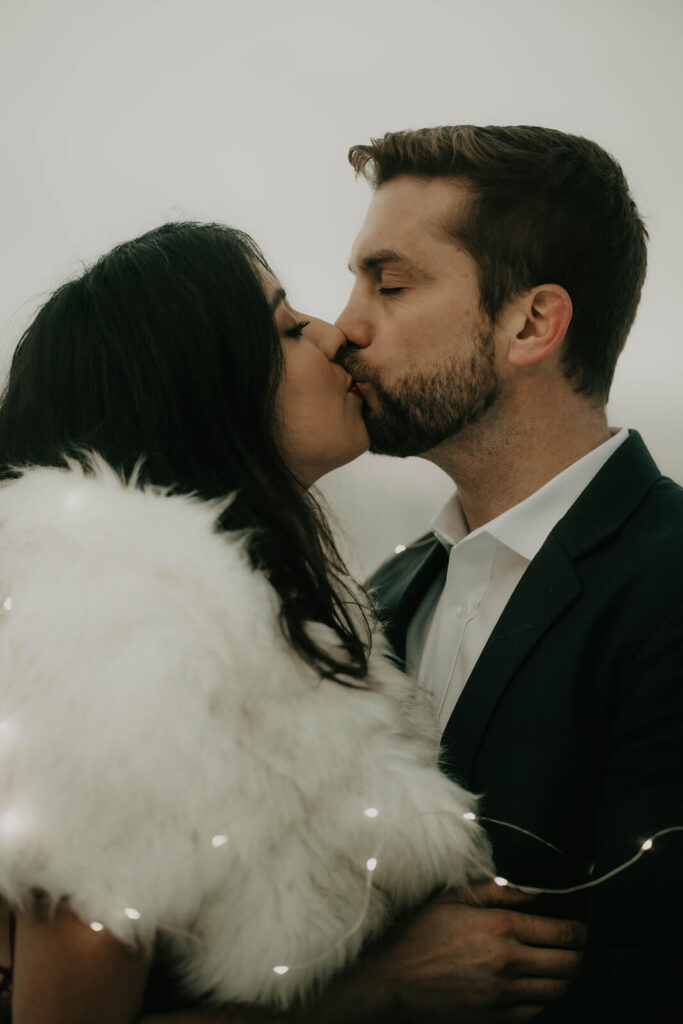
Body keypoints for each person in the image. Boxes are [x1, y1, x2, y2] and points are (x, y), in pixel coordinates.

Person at [0, 221, 503, 1022]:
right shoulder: (118, 637)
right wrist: (376, 990)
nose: (334, 335)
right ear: (201, 389)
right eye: (286, 326)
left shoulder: (263, 609)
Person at [332, 125, 683, 1022]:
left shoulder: (669, 581)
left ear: (530, 322)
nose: (346, 327)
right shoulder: (384, 594)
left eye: (390, 283)